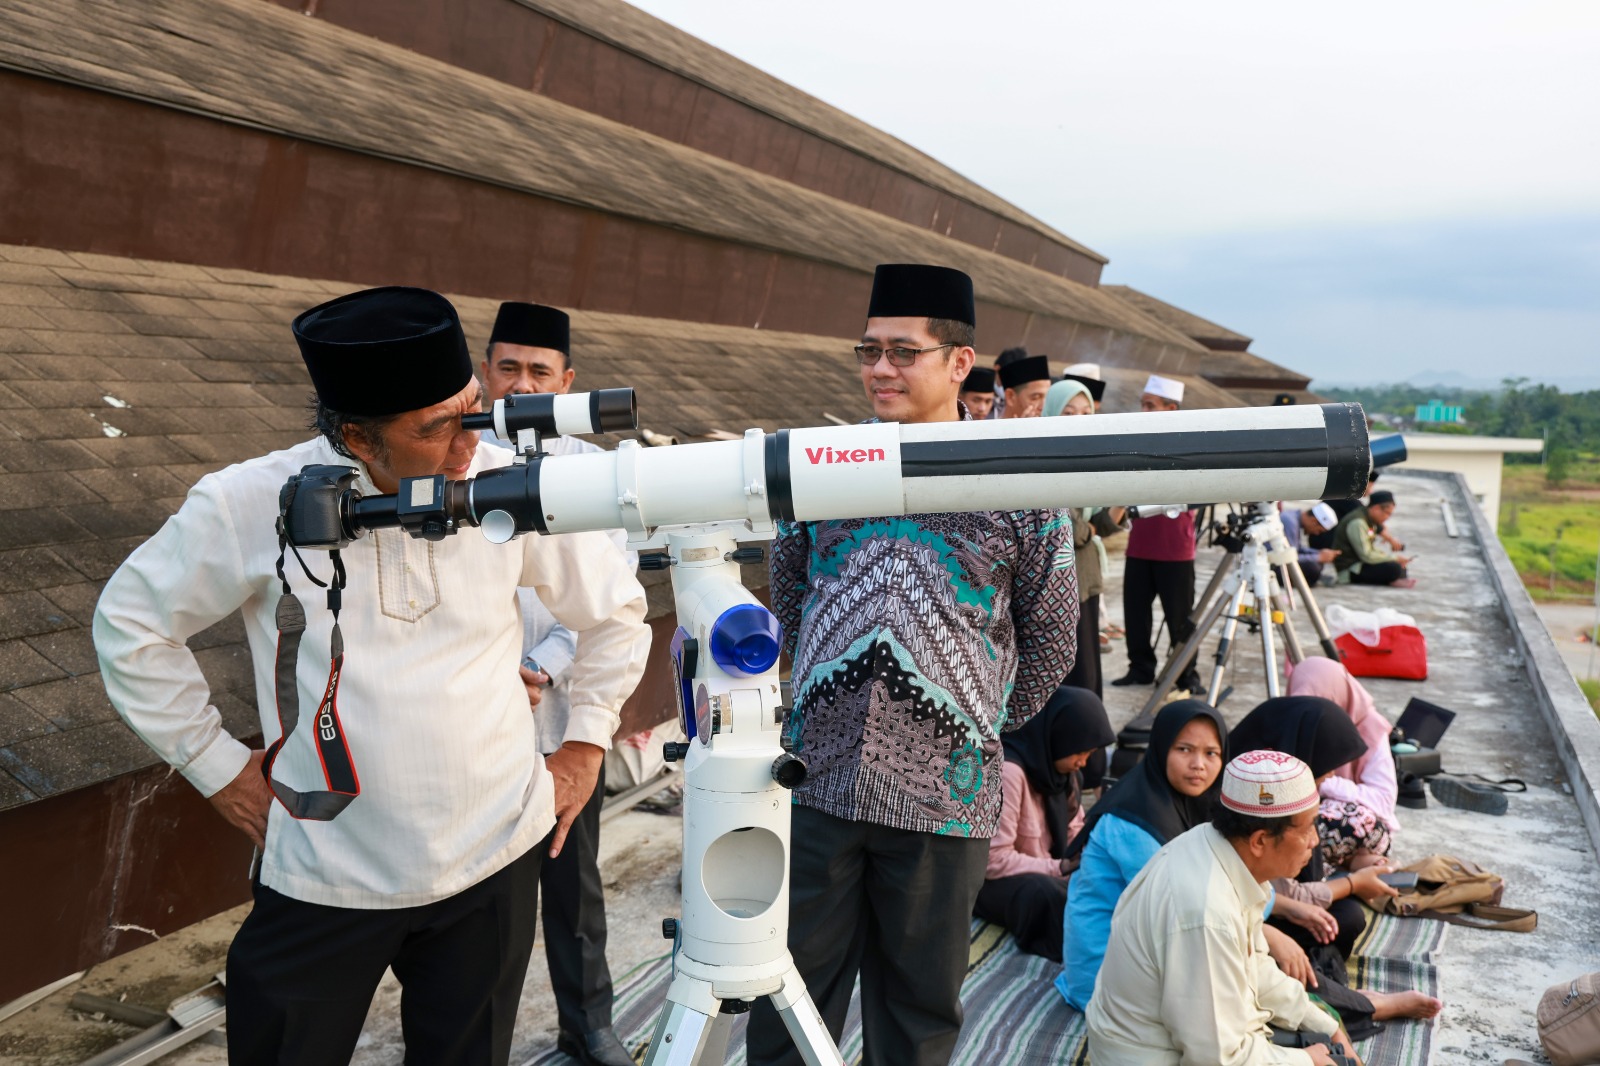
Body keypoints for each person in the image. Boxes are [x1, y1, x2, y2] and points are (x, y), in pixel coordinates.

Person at [93, 287, 652, 1065]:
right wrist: (217, 768)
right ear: (357, 435)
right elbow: (131, 624)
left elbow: (617, 611)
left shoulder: (502, 484)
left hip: (490, 859)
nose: (466, 445)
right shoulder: (250, 502)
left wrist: (586, 745)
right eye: (434, 431)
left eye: (470, 411)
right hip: (327, 868)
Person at [751, 264, 1078, 1066]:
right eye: (869, 351)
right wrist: (829, 690)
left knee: (919, 1011)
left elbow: (1054, 634)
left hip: (946, 802)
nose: (881, 369)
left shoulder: (1020, 481)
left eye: (904, 352)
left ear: (960, 364)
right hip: (817, 784)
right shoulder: (824, 465)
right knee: (788, 991)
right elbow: (790, 591)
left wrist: (969, 722)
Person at [480, 301, 637, 1066]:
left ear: (567, 380)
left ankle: (590, 1024)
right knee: (479, 904)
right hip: (478, 714)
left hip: (567, 714)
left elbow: (614, 597)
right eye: (508, 367)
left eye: (540, 371)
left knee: (573, 884)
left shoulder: (598, 476)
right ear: (486, 374)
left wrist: (542, 666)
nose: (523, 383)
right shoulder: (460, 457)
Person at [1086, 750, 1350, 1065]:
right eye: (1307, 828)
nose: (1315, 841)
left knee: (1323, 1040)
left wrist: (1325, 1023)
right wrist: (1308, 1060)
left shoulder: (1214, 846)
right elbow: (1217, 1059)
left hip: (1172, 1040)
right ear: (1260, 841)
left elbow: (1254, 966)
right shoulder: (1207, 914)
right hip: (1153, 1056)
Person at [1229, 698, 1441, 1027]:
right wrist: (1267, 932)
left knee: (1343, 919)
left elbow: (1270, 892)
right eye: (1324, 768)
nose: (1329, 777)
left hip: (1260, 910)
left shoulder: (1277, 793)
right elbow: (1238, 900)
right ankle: (1362, 1006)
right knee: (1275, 969)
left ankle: (1337, 995)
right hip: (1242, 926)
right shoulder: (1249, 802)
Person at [1056, 700, 1226, 1011]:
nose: (1199, 764)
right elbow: (1183, 909)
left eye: (1211, 753)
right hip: (1103, 981)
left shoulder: (1189, 801)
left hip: (1136, 959)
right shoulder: (1135, 819)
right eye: (1184, 749)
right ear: (1161, 749)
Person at [976, 686, 1115, 961]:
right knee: (1047, 895)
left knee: (1096, 889)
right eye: (1080, 752)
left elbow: (1076, 830)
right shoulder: (1010, 773)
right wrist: (1058, 868)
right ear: (1059, 737)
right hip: (994, 883)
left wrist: (1086, 858)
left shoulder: (1064, 775)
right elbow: (992, 860)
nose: (1083, 762)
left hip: (1044, 869)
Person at [1113, 374, 1201, 692]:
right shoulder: (1136, 440)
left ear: (1171, 408)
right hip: (1140, 544)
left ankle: (1186, 672)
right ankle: (1140, 668)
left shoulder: (1189, 444)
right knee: (1136, 614)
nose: (1144, 410)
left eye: (1151, 406)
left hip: (1175, 547)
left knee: (1180, 617)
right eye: (1143, 405)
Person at [1045, 378, 1128, 696]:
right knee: (1070, 674)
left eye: (1085, 413)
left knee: (1088, 669)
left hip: (1087, 581)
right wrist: (1090, 528)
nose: (1078, 422)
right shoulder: (1047, 462)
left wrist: (1123, 495)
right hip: (1061, 585)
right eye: (1068, 413)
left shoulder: (1088, 461)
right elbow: (1075, 530)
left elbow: (1104, 524)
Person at [1285, 659, 1399, 868]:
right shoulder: (1291, 721)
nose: (1311, 718)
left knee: (1353, 819)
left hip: (1355, 827)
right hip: (1301, 821)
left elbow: (1383, 802)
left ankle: (1334, 869)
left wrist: (1323, 782)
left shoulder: (1370, 728)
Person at [1332, 490, 1413, 586]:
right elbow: (1366, 555)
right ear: (1376, 508)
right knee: (1394, 568)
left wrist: (1393, 559)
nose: (1387, 518)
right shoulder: (1358, 522)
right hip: (1350, 570)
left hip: (1361, 564)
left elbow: (1370, 549)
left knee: (1400, 566)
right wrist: (1394, 558)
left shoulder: (1369, 521)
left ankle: (1395, 579)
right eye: (1387, 513)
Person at [1280, 502, 1341, 585]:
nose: (1316, 534)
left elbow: (1296, 549)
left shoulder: (1294, 518)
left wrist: (1319, 553)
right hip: (1273, 564)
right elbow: (1289, 558)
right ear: (1314, 521)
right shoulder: (1291, 523)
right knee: (1313, 567)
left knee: (1317, 564)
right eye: (1319, 531)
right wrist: (1318, 557)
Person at [998, 353, 1052, 419]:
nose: (1043, 407)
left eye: (1048, 398)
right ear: (1010, 396)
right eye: (1036, 398)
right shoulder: (989, 428)